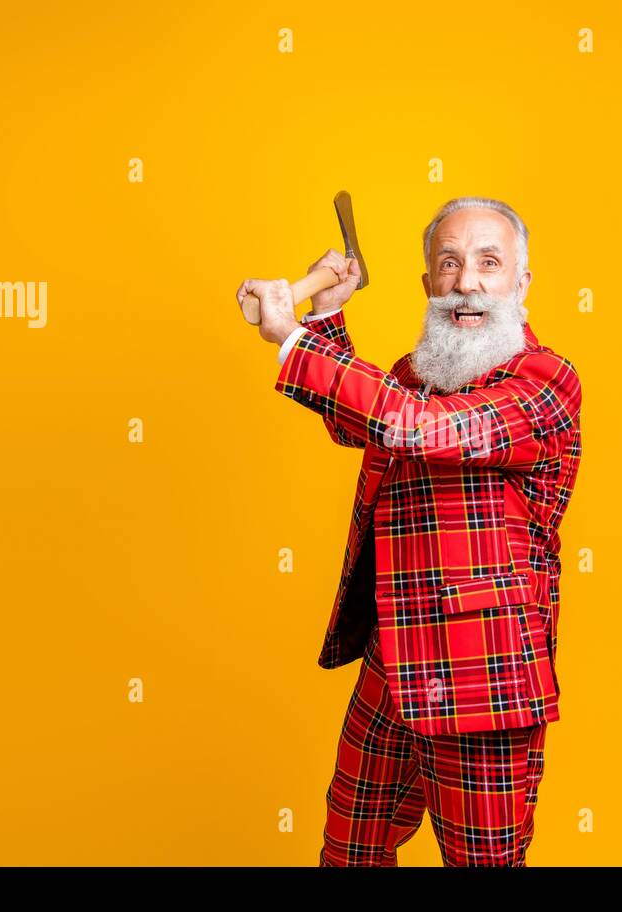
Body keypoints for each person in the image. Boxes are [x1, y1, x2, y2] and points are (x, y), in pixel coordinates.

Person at [237, 197, 582, 866]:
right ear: (428, 284)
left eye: (489, 262)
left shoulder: (544, 382)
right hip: (391, 662)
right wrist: (326, 315)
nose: (468, 281)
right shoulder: (416, 377)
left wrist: (292, 341)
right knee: (350, 851)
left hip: (482, 675)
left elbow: (415, 429)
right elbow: (361, 420)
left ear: (522, 282)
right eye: (449, 264)